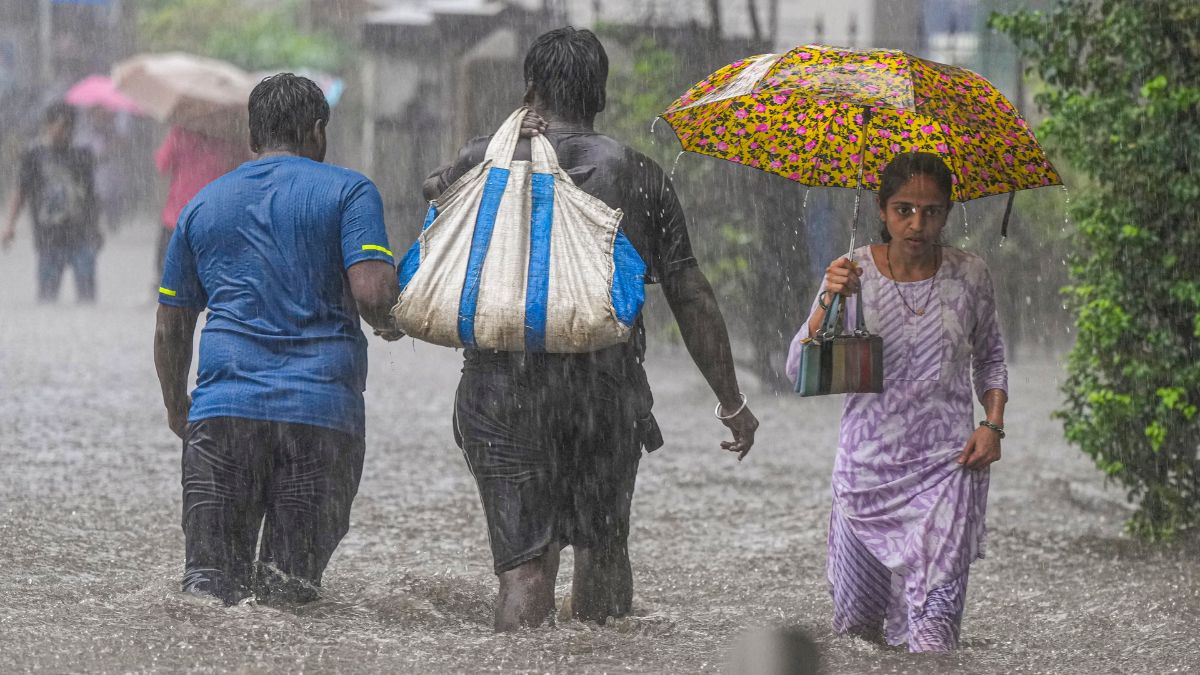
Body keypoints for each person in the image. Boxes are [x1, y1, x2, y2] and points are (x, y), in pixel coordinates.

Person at [423, 27, 759, 632]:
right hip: (603, 394)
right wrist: (731, 401)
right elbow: (690, 294)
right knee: (603, 552)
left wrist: (504, 135)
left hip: (500, 392)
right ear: (600, 95)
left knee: (525, 573)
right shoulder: (641, 176)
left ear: (529, 90)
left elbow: (434, 206)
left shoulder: (484, 161)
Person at [153, 74, 402, 606]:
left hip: (223, 417)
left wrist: (179, 406)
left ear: (252, 137)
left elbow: (170, 325)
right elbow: (374, 295)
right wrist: (394, 320)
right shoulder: (349, 191)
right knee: (288, 596)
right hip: (320, 420)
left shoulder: (201, 205)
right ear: (317, 132)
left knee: (208, 592)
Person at [785, 152, 1008, 651]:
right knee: (858, 638)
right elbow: (798, 371)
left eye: (931, 211)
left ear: (947, 214)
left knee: (934, 643)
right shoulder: (851, 272)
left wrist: (992, 425)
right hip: (865, 478)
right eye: (904, 209)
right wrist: (829, 298)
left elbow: (990, 358)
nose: (917, 223)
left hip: (948, 471)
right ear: (882, 211)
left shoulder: (971, 274)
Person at [2, 102, 101, 302]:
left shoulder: (82, 156)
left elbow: (91, 197)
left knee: (88, 298)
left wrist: (96, 229)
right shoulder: (34, 156)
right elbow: (20, 192)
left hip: (81, 236)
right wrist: (9, 226)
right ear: (47, 125)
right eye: (60, 125)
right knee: (47, 298)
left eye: (68, 127)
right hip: (48, 238)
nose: (63, 132)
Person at [153, 124, 246, 275]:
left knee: (167, 275)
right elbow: (242, 167)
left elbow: (161, 164)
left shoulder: (180, 133)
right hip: (214, 216)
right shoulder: (229, 137)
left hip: (178, 215)